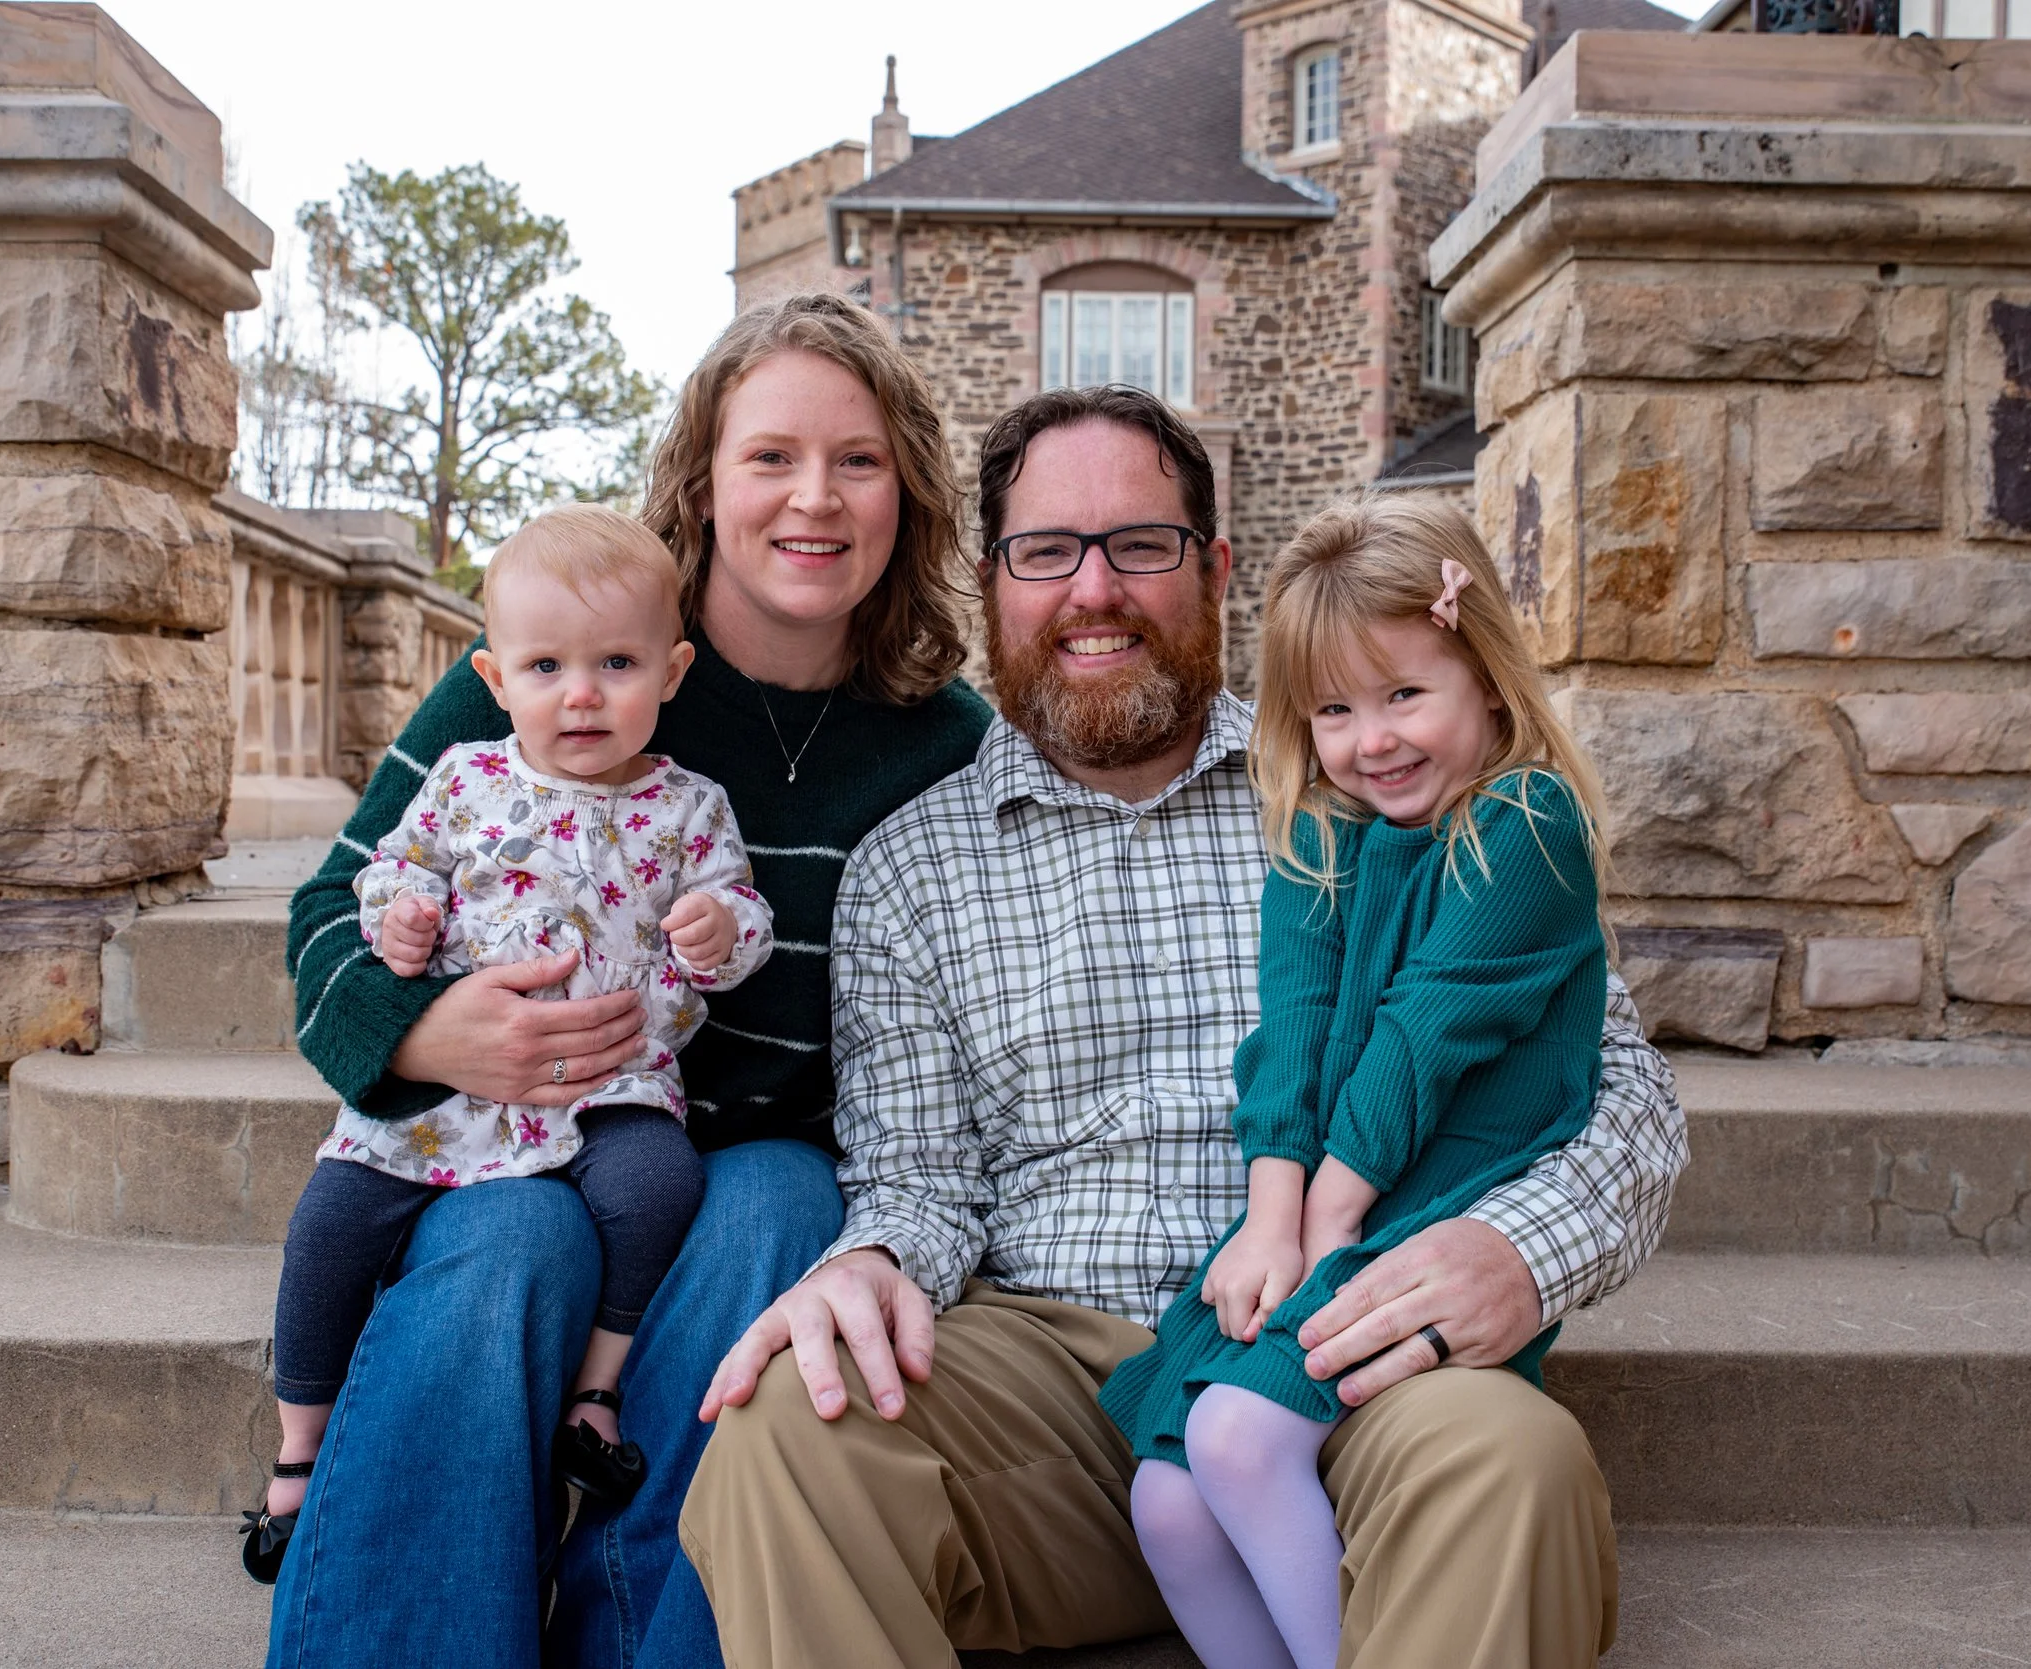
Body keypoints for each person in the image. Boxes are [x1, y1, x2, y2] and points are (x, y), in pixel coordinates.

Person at [682, 385, 1687, 1669]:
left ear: (1213, 569)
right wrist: (870, 1261)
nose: (1091, 590)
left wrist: (1521, 1253)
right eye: (1045, 550)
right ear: (991, 585)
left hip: (1337, 1349)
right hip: (1045, 1384)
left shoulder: (1374, 786)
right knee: (788, 1435)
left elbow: (1620, 1094)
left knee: (1510, 1459)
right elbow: (917, 1186)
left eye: (1139, 546)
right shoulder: (909, 871)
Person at [265, 293, 990, 1668]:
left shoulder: (947, 742)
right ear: (704, 484)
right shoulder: (564, 661)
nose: (814, 498)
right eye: (770, 455)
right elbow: (327, 914)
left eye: (859, 459)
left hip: (745, 1167)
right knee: (511, 1247)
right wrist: (425, 1033)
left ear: (909, 490)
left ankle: (640, 1638)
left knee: (782, 1202)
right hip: (508, 1150)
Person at [1099, 495, 1614, 1667]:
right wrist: (1269, 1217)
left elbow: (1419, 1037)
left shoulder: (1525, 825)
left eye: (1403, 695)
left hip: (1424, 1213)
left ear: (1483, 676)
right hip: (1320, 1212)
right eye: (1334, 709)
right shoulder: (1318, 834)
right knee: (1167, 1503)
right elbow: (1293, 1028)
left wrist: (1322, 1224)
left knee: (1233, 1437)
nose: (1371, 739)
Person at [246, 506, 777, 1583]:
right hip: (456, 1091)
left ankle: (595, 1388)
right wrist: (398, 912)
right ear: (494, 678)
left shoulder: (689, 806)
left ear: (671, 672)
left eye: (616, 662)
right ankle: (300, 1446)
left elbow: (743, 912)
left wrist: (722, 932)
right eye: (545, 665)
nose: (580, 693)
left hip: (610, 1083)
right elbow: (390, 868)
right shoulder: (465, 779)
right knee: (332, 1223)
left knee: (658, 1187)